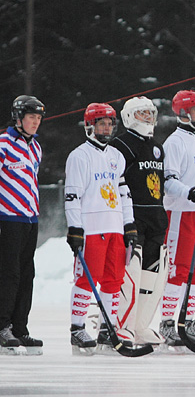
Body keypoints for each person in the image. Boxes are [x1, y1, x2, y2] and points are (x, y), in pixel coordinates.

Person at [65, 103, 137, 354]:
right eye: (101, 123)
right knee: (87, 279)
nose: (107, 128)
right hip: (92, 228)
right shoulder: (79, 156)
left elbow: (123, 193)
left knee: (113, 280)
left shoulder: (117, 156)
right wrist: (75, 228)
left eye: (109, 124)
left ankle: (108, 328)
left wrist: (129, 225)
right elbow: (72, 196)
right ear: (90, 126)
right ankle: (77, 328)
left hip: (115, 226)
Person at [160, 90, 195, 352]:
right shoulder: (174, 142)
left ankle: (188, 321)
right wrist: (192, 194)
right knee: (179, 269)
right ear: (183, 112)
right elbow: (169, 181)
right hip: (182, 213)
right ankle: (168, 323)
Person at [109, 97, 168, 347]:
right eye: (143, 113)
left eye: (150, 113)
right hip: (134, 216)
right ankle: (121, 324)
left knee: (151, 275)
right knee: (130, 273)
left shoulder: (157, 147)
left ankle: (139, 325)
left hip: (156, 215)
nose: (148, 118)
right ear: (130, 116)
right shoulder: (120, 145)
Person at [0, 96, 45, 355]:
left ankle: (20, 328)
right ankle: (2, 326)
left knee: (27, 274)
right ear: (19, 119)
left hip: (31, 219)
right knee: (10, 274)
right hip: (8, 219)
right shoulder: (4, 144)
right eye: (31, 118)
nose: (35, 123)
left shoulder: (35, 147)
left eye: (38, 119)